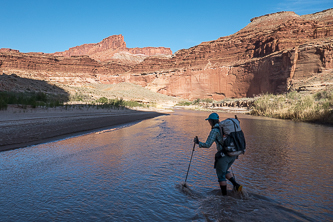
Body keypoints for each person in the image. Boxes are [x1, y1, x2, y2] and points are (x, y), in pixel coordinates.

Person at [194, 112, 242, 196]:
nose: (209, 122)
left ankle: (224, 198)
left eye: (209, 121)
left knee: (221, 176)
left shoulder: (215, 131)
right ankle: (236, 185)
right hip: (233, 154)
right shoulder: (224, 128)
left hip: (224, 156)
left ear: (212, 121)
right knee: (224, 171)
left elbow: (207, 145)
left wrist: (198, 142)